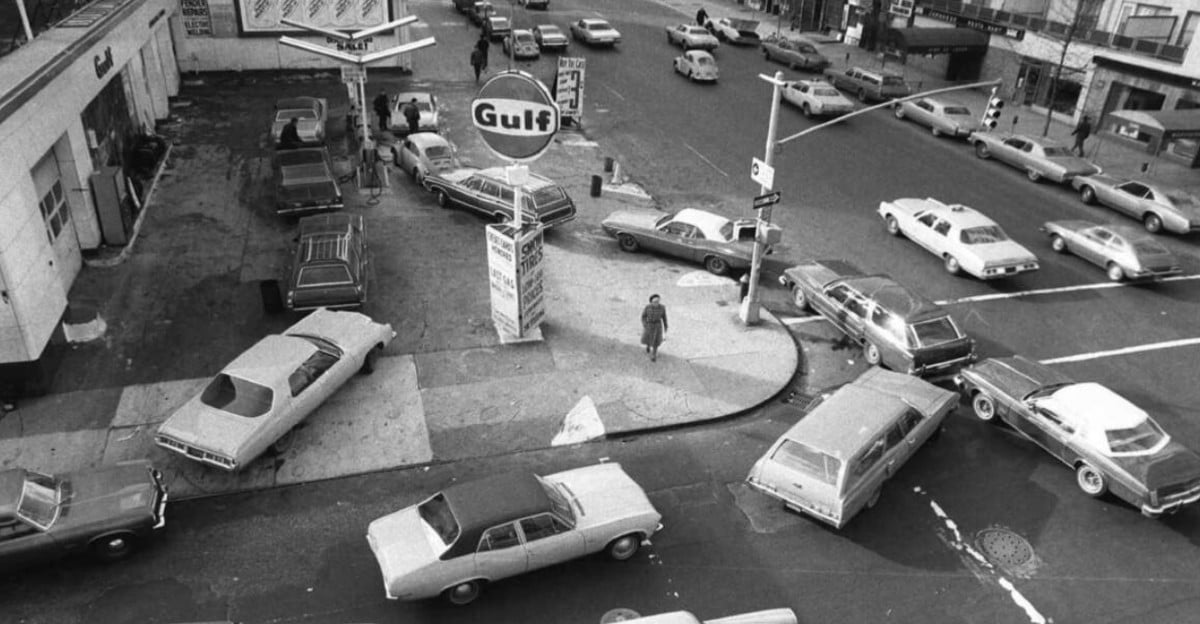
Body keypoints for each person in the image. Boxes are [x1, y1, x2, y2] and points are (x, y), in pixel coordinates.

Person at [640, 294, 668, 362]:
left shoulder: (662, 307)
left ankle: (654, 354)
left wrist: (665, 326)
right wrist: (645, 324)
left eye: (658, 301)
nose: (657, 303)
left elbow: (664, 317)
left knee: (656, 341)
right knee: (648, 338)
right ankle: (648, 345)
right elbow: (643, 316)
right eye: (655, 302)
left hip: (657, 326)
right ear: (651, 302)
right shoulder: (647, 307)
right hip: (649, 325)